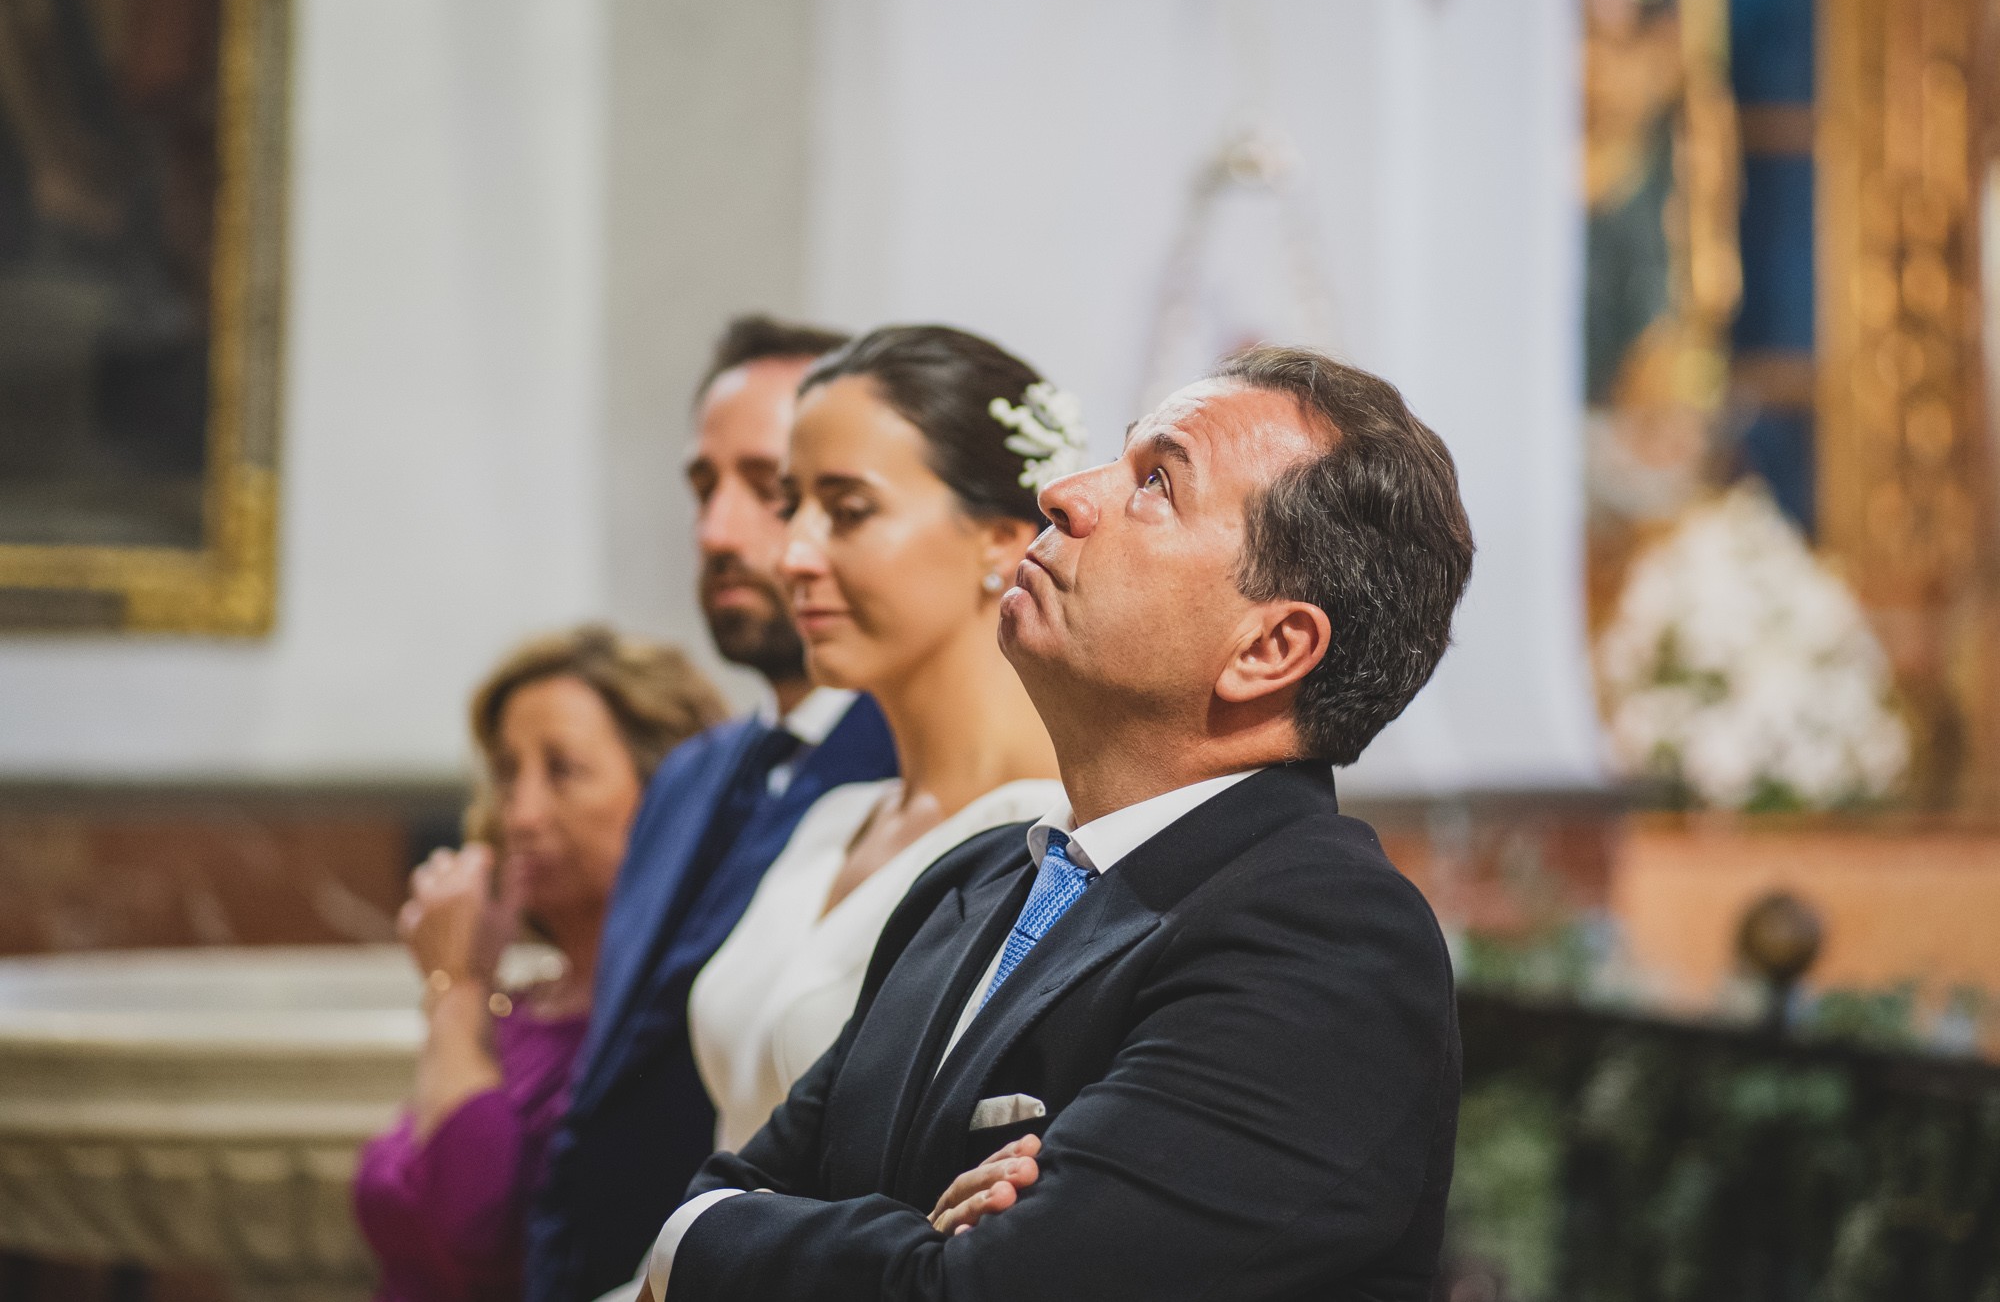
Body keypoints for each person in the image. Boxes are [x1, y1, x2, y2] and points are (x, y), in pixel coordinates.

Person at [640, 346, 1475, 1301]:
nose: (1062, 493)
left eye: (1156, 482)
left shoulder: (1323, 937)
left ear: (1270, 646)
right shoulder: (976, 877)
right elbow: (729, 1189)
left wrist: (711, 1245)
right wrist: (887, 1238)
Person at [525, 318, 901, 1302]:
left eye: (768, 489)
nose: (718, 532)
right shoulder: (690, 775)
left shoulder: (908, 774)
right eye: (703, 487)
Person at [688, 325, 1071, 1151]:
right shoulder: (834, 819)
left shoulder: (1048, 841)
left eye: (848, 510)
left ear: (1002, 538)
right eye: (794, 506)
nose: (792, 553)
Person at [354, 626, 725, 1302]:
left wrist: (458, 983)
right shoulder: (517, 1007)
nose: (520, 814)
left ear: (666, 792)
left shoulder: (663, 1020)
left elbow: (478, 1229)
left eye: (562, 770)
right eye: (506, 772)